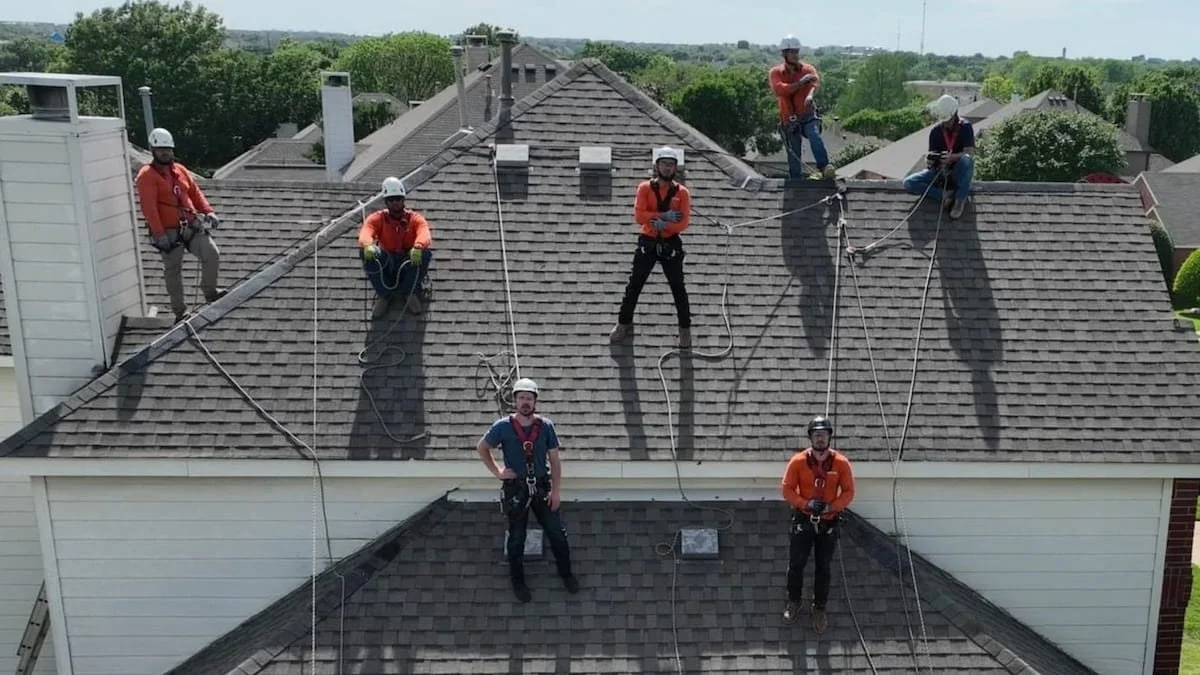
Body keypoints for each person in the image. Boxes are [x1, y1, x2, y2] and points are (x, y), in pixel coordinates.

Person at [476, 377, 579, 603]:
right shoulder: (502, 427)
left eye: (529, 399)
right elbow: (482, 448)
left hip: (542, 486)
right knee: (516, 539)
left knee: (557, 535)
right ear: (515, 400)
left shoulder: (545, 426)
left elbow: (555, 460)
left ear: (534, 402)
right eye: (521, 398)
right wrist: (498, 472)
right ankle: (518, 581)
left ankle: (566, 573)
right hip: (516, 489)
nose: (525, 402)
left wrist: (556, 491)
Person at [134, 127, 225, 323]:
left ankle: (210, 291)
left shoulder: (180, 170)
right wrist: (159, 234)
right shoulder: (147, 176)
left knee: (211, 254)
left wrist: (208, 211)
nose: (165, 153)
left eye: (168, 149)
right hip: (168, 231)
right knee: (173, 270)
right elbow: (149, 208)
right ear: (153, 150)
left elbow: (194, 193)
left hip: (190, 225)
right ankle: (179, 311)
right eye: (160, 150)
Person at [609, 147, 693, 348]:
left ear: (675, 168)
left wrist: (665, 225)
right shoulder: (645, 188)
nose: (667, 168)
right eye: (664, 164)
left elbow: (683, 223)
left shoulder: (682, 193)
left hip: (670, 242)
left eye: (670, 165)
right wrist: (662, 216)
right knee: (634, 284)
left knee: (678, 287)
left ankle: (685, 330)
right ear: (657, 166)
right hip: (648, 240)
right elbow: (639, 215)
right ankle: (624, 323)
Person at [780, 416, 856, 633]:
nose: (820, 439)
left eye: (823, 435)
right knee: (796, 564)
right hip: (804, 520)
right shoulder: (798, 462)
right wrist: (805, 503)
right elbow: (786, 489)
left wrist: (832, 507)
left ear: (829, 437)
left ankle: (819, 607)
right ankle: (794, 601)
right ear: (811, 437)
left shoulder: (840, 463)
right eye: (816, 435)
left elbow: (849, 491)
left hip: (828, 522)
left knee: (823, 567)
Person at [358, 176, 433, 318]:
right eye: (391, 200)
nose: (395, 203)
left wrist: (418, 246)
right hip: (388, 262)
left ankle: (408, 292)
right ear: (386, 202)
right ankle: (384, 295)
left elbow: (424, 233)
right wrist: (367, 245)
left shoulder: (414, 218)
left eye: (398, 199)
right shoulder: (378, 218)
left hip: (408, 261)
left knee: (425, 254)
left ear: (403, 199)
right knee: (365, 253)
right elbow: (366, 231)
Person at [770, 35, 835, 181]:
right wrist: (800, 84)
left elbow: (814, 81)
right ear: (785, 54)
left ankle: (824, 167)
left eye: (796, 51)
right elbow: (779, 90)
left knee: (814, 136)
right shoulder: (776, 73)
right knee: (794, 152)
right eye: (792, 52)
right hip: (789, 119)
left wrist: (810, 95)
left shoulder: (807, 69)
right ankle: (795, 181)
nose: (795, 55)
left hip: (808, 114)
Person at [903, 94, 976, 220]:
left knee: (967, 160)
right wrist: (932, 162)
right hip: (939, 173)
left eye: (947, 120)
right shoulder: (935, 132)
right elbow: (932, 156)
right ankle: (944, 195)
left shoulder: (965, 127)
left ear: (954, 114)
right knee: (909, 182)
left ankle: (959, 201)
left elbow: (969, 153)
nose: (945, 122)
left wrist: (951, 157)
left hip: (957, 172)